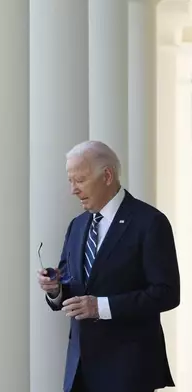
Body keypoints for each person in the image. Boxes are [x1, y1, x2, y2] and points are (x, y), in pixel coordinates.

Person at [37, 140, 180, 392]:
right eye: (70, 181)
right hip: (80, 371)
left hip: (129, 371)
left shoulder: (150, 222)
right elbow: (72, 287)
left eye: (79, 180)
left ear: (107, 176)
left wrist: (100, 306)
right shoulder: (77, 225)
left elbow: (167, 293)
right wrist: (55, 289)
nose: (73, 190)